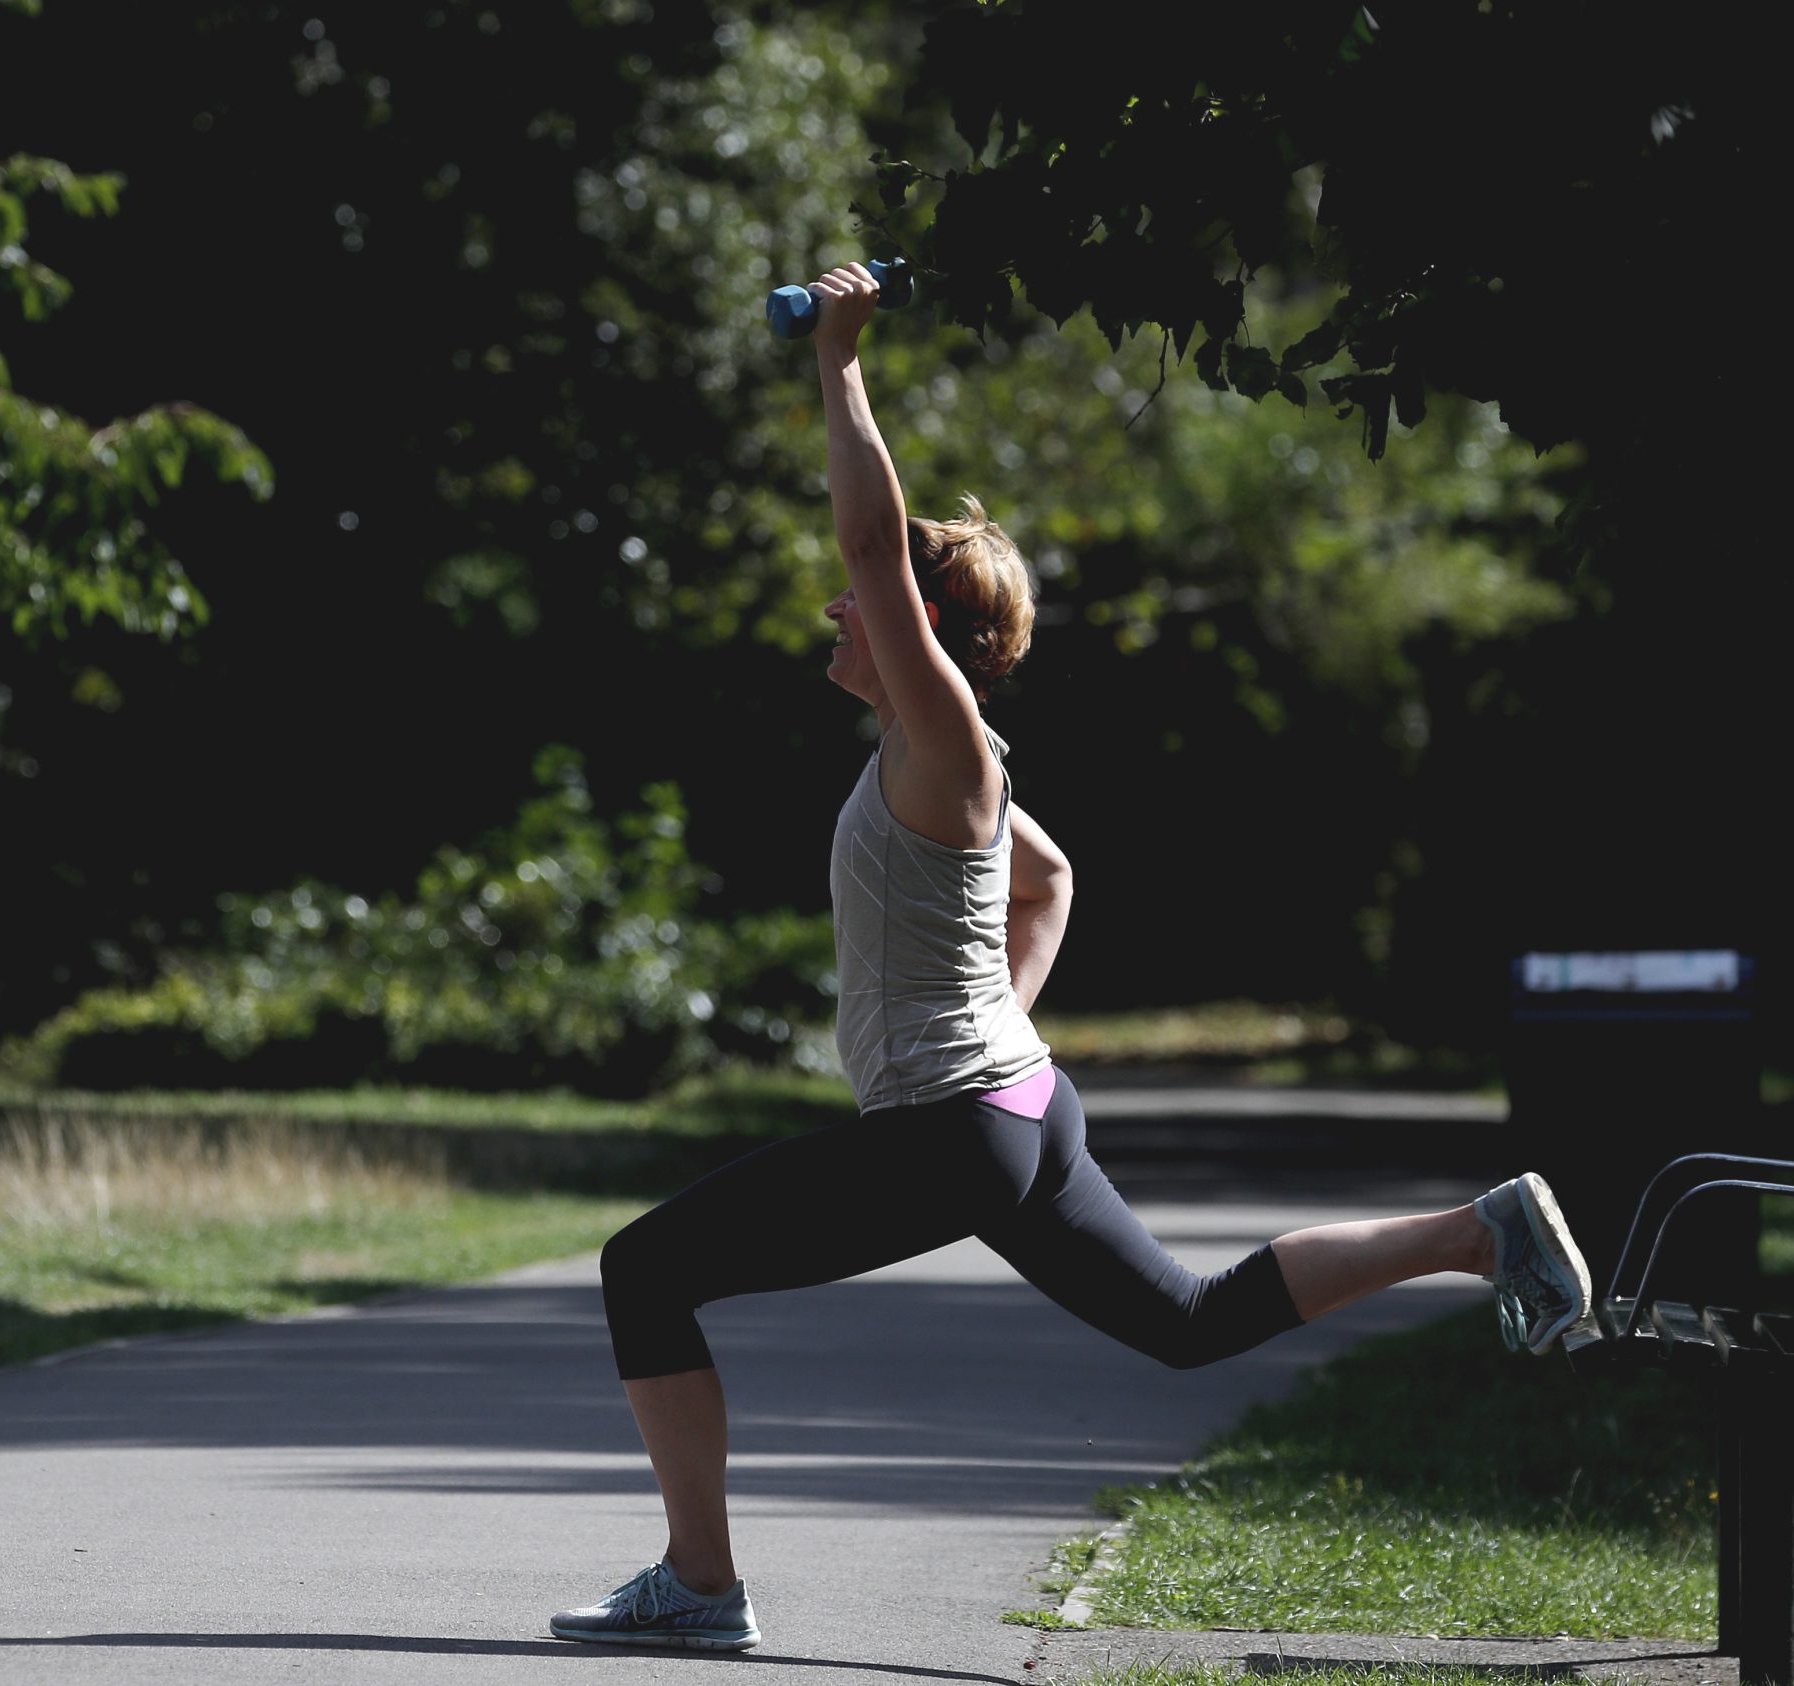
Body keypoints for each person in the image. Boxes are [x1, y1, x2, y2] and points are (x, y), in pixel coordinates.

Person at [546, 266, 1589, 1652]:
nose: (834, 613)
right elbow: (1052, 877)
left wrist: (840, 366)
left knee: (643, 1269)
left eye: (862, 605)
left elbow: (869, 546)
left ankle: (699, 1582)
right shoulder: (941, 761)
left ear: (921, 628)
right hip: (1013, 1107)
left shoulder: (946, 731)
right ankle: (1479, 1228)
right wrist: (997, 1030)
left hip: (956, 1125)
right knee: (1186, 1320)